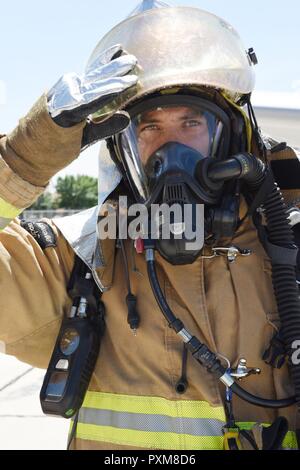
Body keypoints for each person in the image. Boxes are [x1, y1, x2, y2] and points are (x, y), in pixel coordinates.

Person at [1, 0, 300, 451]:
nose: (170, 149)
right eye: (149, 128)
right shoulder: (79, 258)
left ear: (231, 137)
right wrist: (31, 151)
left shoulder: (289, 246)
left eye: (191, 122)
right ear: (123, 149)